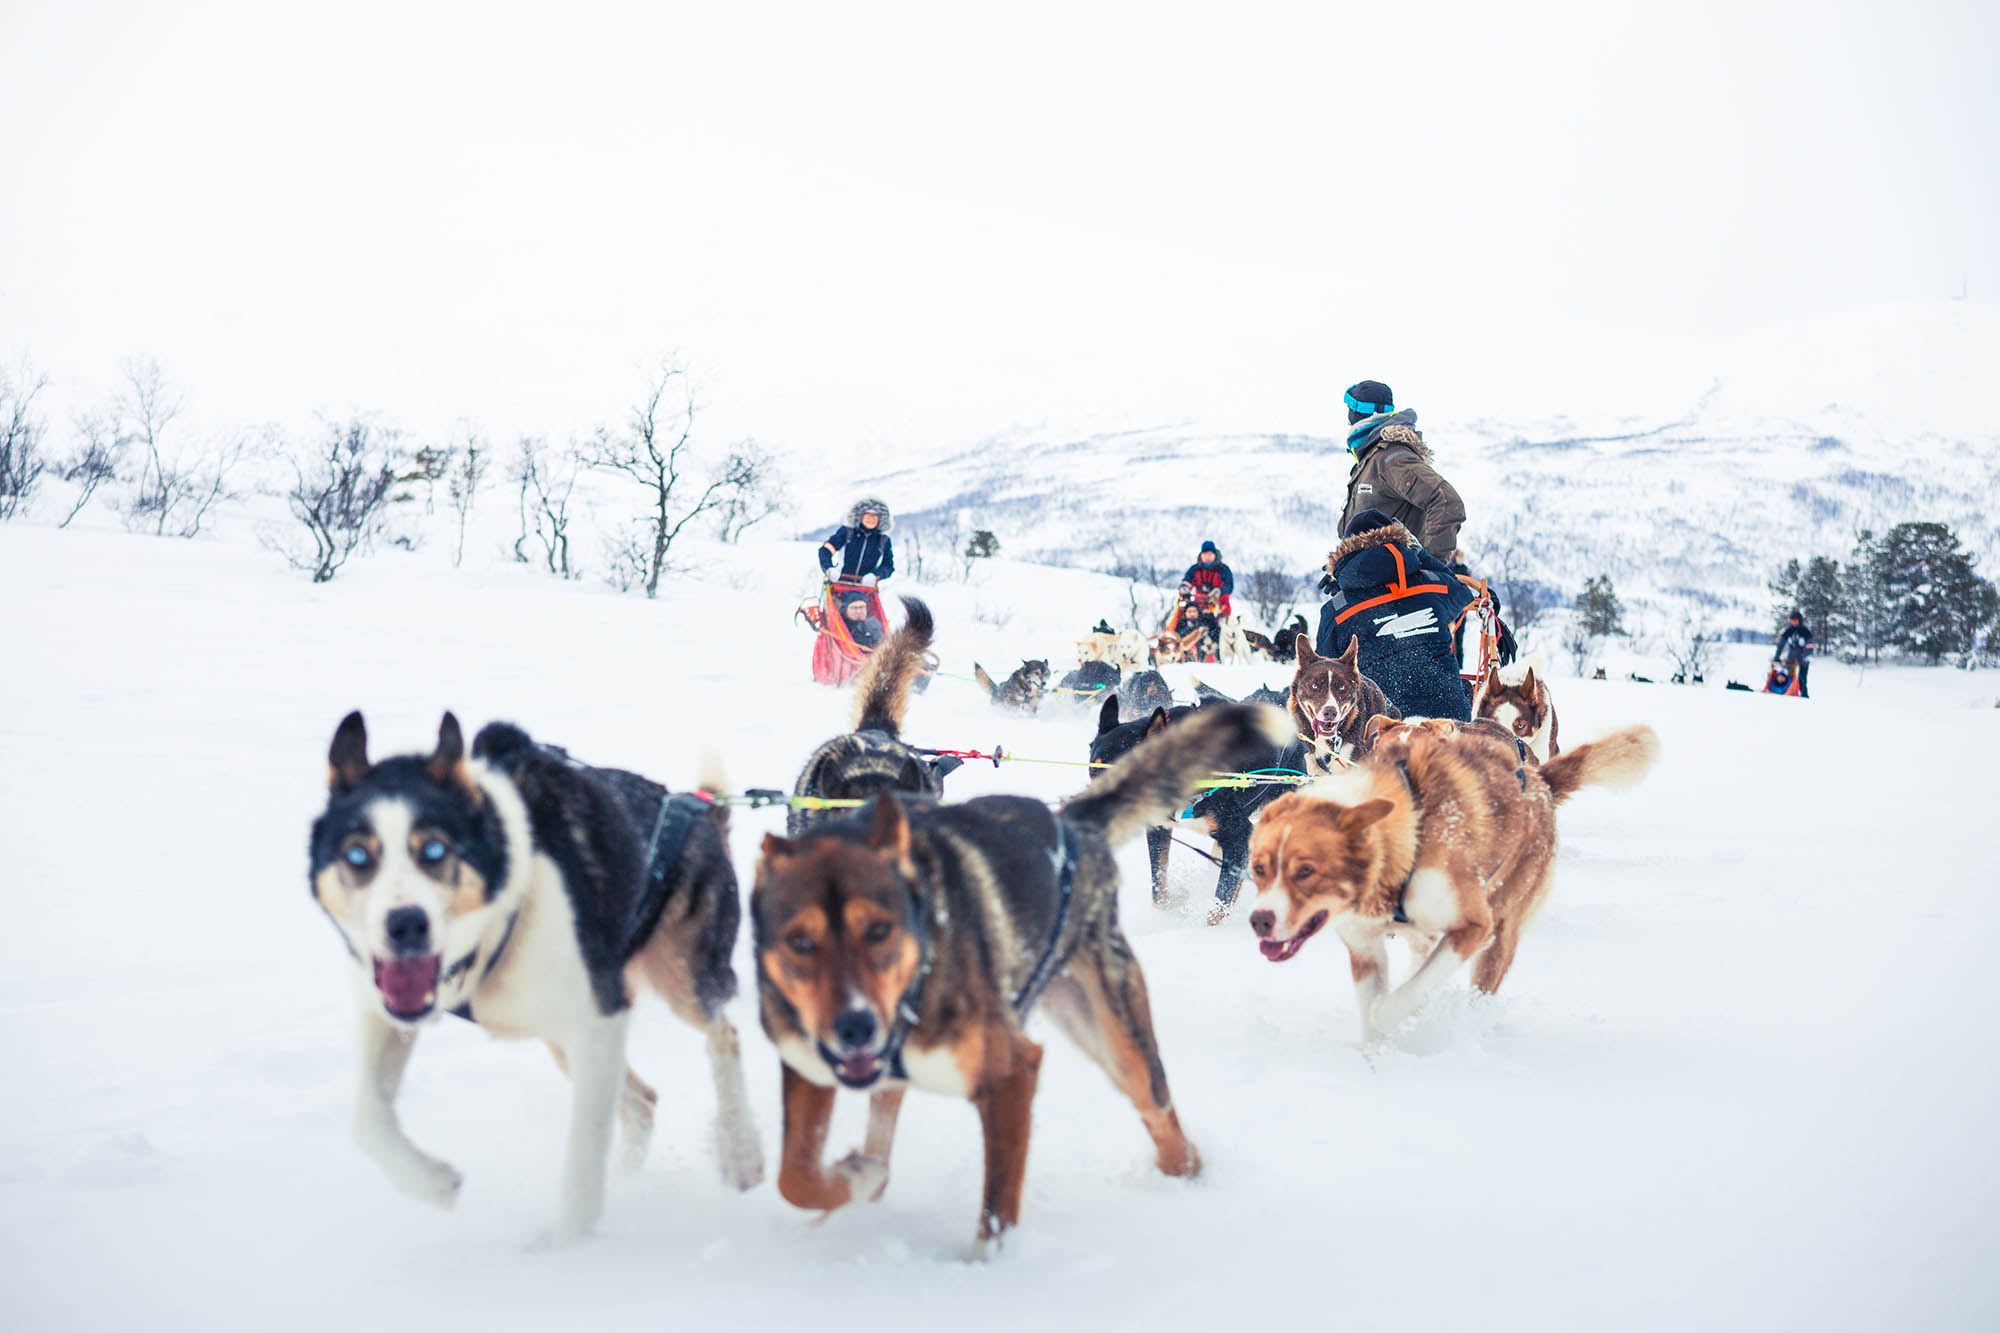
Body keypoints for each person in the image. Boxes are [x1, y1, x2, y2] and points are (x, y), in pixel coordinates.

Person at [1315, 509, 1479, 721]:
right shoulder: (1434, 584)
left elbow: (1323, 673)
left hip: (1382, 729)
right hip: (1449, 723)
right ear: (1402, 542)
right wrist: (1421, 554)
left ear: (1345, 552)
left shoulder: (1336, 610)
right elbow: (1462, 591)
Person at [1337, 380, 1466, 561]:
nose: (1347, 417)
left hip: (1398, 585)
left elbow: (1447, 501)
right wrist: (1345, 568)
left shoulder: (1391, 458)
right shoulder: (1371, 459)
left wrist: (1431, 563)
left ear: (1359, 413)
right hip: (1374, 584)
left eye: (1351, 408)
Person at [818, 497, 894, 585]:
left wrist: (875, 576)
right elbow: (825, 550)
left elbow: (888, 566)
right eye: (868, 515)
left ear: (881, 520)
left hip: (866, 589)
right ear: (860, 516)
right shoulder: (847, 533)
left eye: (875, 517)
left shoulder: (883, 541)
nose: (871, 519)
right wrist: (829, 569)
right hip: (839, 584)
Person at [1180, 541, 1234, 619]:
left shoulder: (1223, 569)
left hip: (1219, 604)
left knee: (1220, 625)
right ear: (1201, 555)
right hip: (1199, 603)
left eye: (1210, 554)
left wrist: (1219, 591)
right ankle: (1171, 630)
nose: (1207, 557)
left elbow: (1229, 586)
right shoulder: (1195, 568)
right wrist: (1185, 587)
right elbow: (1188, 579)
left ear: (1215, 555)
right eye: (1205, 554)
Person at [1773, 610, 1814, 698]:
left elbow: (1810, 646)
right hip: (1792, 656)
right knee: (1787, 676)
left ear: (1799, 621)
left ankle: (1803, 695)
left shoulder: (1805, 632)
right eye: (1792, 621)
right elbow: (1781, 644)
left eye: (1795, 621)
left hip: (1804, 657)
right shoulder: (1789, 631)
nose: (1793, 623)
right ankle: (1786, 693)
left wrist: (1803, 656)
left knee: (1802, 679)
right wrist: (1777, 656)